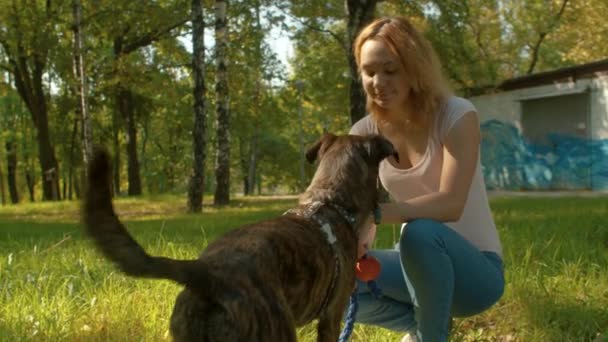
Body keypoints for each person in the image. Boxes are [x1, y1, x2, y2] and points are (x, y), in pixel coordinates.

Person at [349, 16, 505, 342]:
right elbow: (352, 204)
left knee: (419, 233)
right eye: (369, 71)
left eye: (390, 70)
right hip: (414, 268)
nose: (378, 81)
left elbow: (451, 204)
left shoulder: (456, 115)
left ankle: (430, 337)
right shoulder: (363, 134)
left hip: (476, 275)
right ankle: (423, 327)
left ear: (414, 68)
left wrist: (374, 212)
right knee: (336, 276)